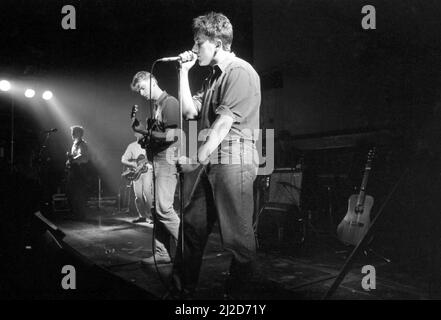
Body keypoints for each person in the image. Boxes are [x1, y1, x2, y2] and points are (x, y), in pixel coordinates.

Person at [170, 12, 261, 298]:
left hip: (234, 156)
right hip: (212, 159)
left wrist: (194, 160)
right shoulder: (212, 77)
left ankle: (237, 297)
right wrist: (183, 73)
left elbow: (222, 125)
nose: (194, 49)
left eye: (199, 44)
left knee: (238, 236)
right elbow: (188, 111)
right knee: (192, 226)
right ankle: (181, 291)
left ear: (217, 43)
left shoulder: (240, 72)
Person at [130, 71, 181, 265]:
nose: (141, 93)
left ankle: (189, 247)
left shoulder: (170, 102)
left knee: (163, 208)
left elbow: (172, 136)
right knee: (155, 209)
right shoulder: (157, 107)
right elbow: (156, 137)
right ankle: (162, 253)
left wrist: (144, 131)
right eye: (139, 90)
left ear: (152, 81)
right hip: (157, 160)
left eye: (142, 87)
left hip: (167, 160)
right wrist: (143, 135)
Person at [121, 132, 154, 224]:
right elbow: (123, 159)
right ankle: (142, 216)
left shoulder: (149, 145)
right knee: (138, 195)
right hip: (136, 172)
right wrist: (132, 164)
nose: (141, 135)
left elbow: (153, 157)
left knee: (147, 193)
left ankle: (149, 216)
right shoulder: (131, 146)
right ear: (135, 135)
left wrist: (146, 161)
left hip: (148, 170)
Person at [66, 125, 90, 220]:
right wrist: (69, 160)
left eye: (73, 132)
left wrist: (72, 160)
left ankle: (80, 215)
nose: (71, 134)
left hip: (80, 171)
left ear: (79, 133)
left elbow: (82, 156)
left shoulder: (82, 144)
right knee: (72, 192)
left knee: (78, 193)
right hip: (75, 170)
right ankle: (76, 213)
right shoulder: (74, 143)